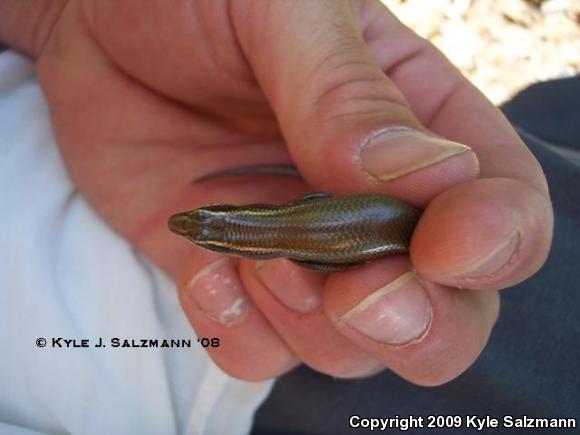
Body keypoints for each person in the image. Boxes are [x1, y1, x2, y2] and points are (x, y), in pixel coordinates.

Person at [0, 1, 576, 434]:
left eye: (206, 219)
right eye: (207, 222)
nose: (200, 221)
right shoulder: (261, 232)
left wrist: (59, 17)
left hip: (384, 221)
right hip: (373, 232)